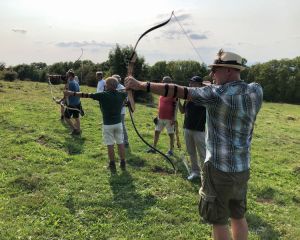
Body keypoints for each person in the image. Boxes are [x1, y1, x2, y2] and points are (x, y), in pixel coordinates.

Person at [125, 49, 263, 240]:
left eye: (215, 70)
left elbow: (176, 90)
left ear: (229, 71)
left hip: (219, 170)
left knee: (219, 221)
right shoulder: (256, 90)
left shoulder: (215, 94)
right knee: (238, 216)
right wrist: (210, 85)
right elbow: (229, 87)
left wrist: (140, 85)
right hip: (242, 169)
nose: (212, 74)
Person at [64, 77, 128, 171]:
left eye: (106, 84)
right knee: (120, 143)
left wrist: (71, 93)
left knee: (110, 144)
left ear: (109, 85)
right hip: (118, 124)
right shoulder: (121, 94)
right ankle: (123, 163)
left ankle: (112, 164)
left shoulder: (102, 95)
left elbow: (85, 95)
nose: (105, 86)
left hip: (108, 125)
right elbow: (127, 92)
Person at [178, 75, 209, 181]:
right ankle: (195, 172)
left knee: (202, 153)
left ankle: (206, 175)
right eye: (190, 82)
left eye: (193, 83)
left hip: (200, 130)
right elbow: (182, 111)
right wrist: (178, 100)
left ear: (200, 85)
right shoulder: (188, 97)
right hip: (187, 128)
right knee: (191, 152)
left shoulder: (204, 96)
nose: (190, 84)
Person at [147, 76, 177, 156]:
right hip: (160, 117)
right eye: (163, 81)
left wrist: (174, 118)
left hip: (169, 118)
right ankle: (154, 148)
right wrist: (157, 116)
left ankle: (171, 150)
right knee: (156, 132)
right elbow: (160, 105)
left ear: (170, 82)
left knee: (170, 134)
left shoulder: (173, 92)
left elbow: (176, 106)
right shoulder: (162, 92)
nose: (164, 83)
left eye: (166, 81)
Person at [112, 74, 130, 148]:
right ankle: (118, 140)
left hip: (120, 112)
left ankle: (126, 141)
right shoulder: (113, 87)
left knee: (122, 126)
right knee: (115, 126)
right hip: (114, 111)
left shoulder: (122, 88)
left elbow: (125, 102)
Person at [64, 69, 82, 135]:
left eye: (67, 76)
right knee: (76, 117)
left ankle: (74, 129)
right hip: (77, 103)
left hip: (71, 104)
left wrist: (61, 101)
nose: (66, 77)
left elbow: (66, 94)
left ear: (71, 76)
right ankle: (78, 130)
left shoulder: (71, 83)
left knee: (66, 117)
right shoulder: (76, 82)